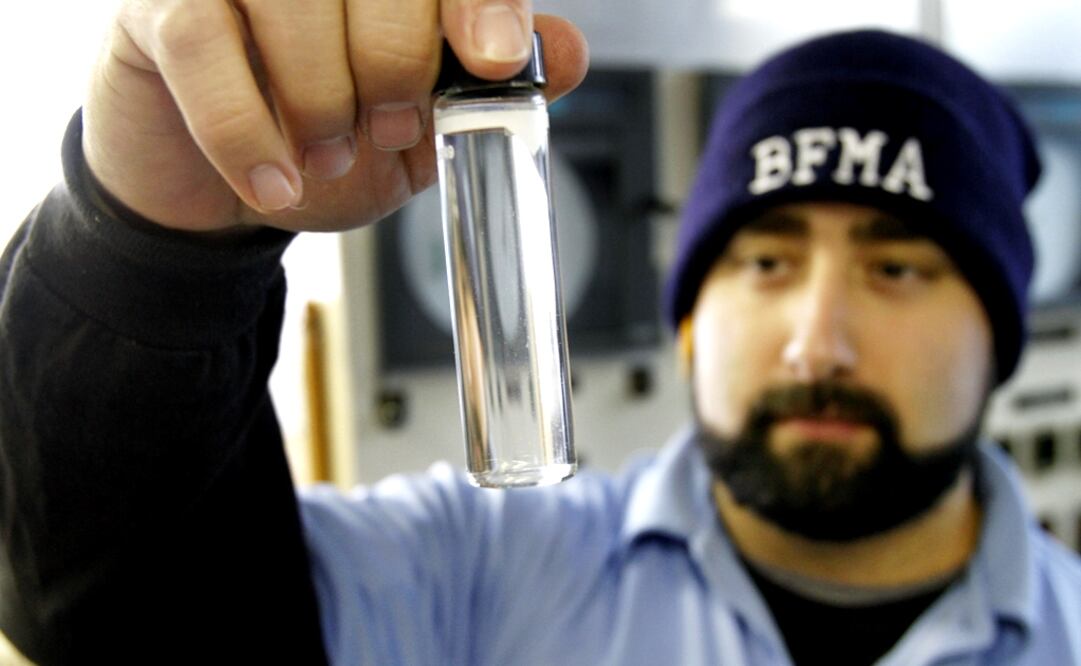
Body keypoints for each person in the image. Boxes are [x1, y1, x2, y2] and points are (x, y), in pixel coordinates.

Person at [0, 0, 1077, 663]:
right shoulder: (476, 573)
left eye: (897, 267)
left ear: (997, 327)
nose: (815, 344)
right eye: (763, 259)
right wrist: (151, 250)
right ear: (692, 318)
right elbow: (126, 616)